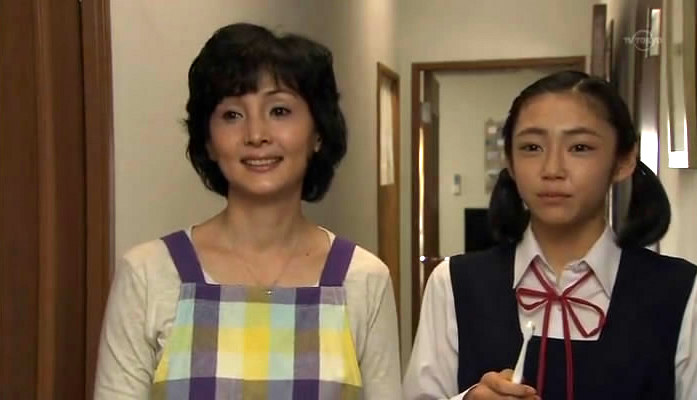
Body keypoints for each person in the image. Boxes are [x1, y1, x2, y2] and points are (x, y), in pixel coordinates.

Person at [95, 23, 401, 400]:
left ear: (318, 133)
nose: (256, 135)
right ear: (208, 141)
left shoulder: (364, 279)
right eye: (232, 115)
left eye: (279, 110)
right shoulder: (147, 275)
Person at [403, 70, 697, 400]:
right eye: (532, 147)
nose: (552, 169)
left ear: (623, 160)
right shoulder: (455, 283)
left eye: (580, 147)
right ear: (510, 162)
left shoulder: (682, 292)